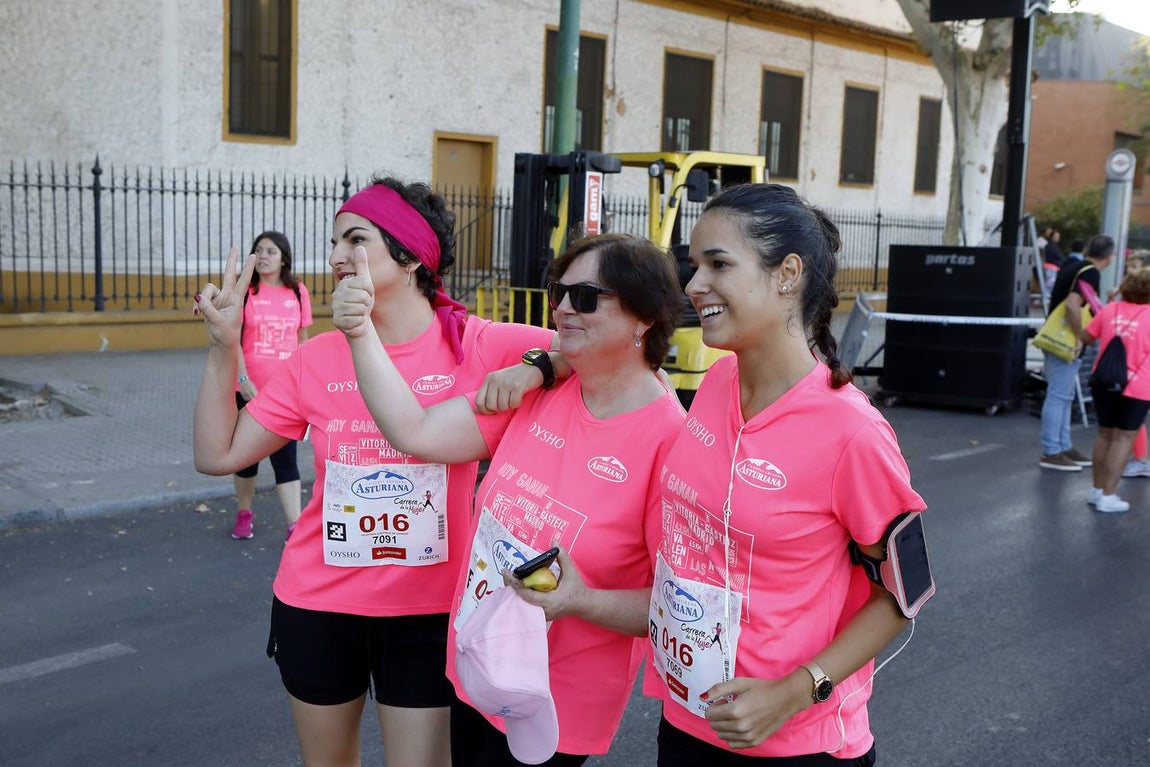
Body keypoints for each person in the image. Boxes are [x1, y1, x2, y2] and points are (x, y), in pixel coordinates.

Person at [192, 177, 556, 767]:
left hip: (430, 612)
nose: (335, 256)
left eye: (354, 240)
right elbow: (218, 455)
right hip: (318, 603)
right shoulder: (317, 356)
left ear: (411, 255)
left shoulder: (480, 344)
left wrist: (539, 366)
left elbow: (597, 349)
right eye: (333, 241)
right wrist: (222, 346)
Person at [331, 232, 686, 766]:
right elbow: (416, 431)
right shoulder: (539, 389)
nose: (565, 308)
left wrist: (580, 601)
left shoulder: (670, 441)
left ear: (644, 318)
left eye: (587, 297)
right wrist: (360, 334)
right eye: (557, 292)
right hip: (477, 666)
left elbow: (675, 606)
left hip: (553, 701)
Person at [646, 183, 928, 765]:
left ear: (788, 274)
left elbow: (904, 593)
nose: (694, 286)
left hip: (797, 743)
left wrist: (795, 692)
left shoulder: (853, 433)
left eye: (718, 264)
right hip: (689, 717)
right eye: (692, 265)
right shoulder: (717, 383)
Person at [229, 230, 312, 541]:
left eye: (271, 251)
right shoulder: (246, 292)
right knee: (247, 458)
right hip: (249, 389)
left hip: (285, 393)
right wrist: (243, 379)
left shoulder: (298, 292)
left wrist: (304, 383)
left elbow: (302, 341)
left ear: (284, 258)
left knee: (285, 458)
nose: (263, 256)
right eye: (259, 250)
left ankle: (295, 525)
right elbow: (233, 341)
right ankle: (244, 511)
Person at [1039, 235, 1115, 472]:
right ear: (1110, 256)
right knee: (1059, 395)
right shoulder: (1091, 272)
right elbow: (1074, 304)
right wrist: (1081, 335)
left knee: (1063, 394)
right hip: (1067, 342)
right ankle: (1052, 451)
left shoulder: (1072, 265)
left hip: (1055, 339)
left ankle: (1063, 446)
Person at [1080, 267, 1150, 512]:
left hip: (1103, 381)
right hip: (1137, 386)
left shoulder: (1109, 310)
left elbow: (1087, 337)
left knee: (1104, 435)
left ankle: (1097, 490)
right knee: (1124, 438)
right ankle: (1109, 497)